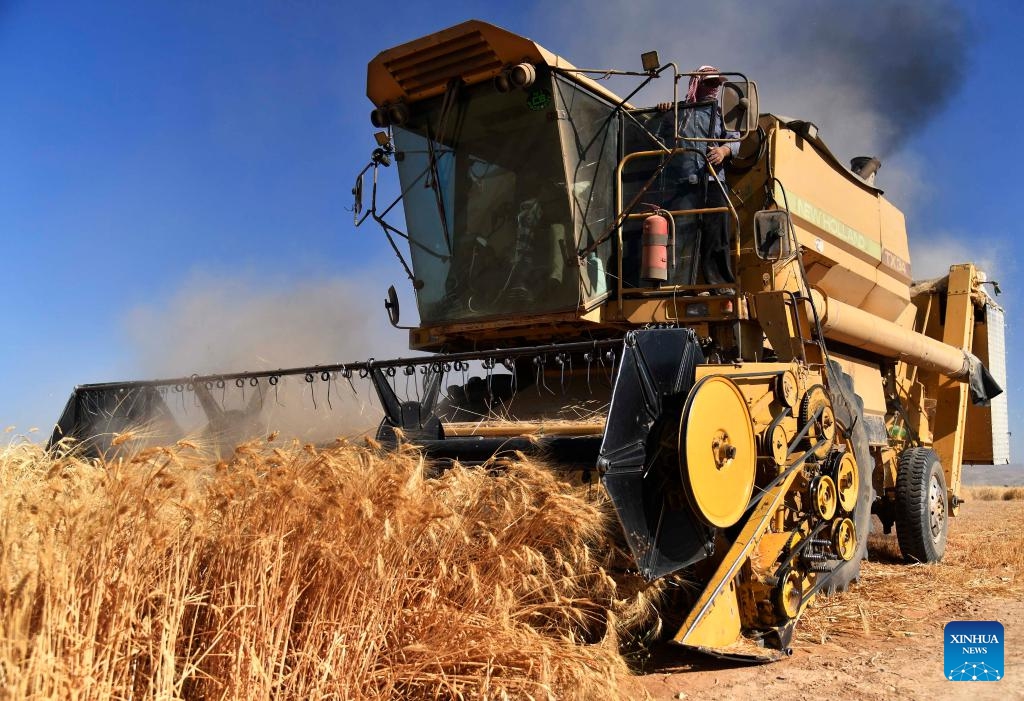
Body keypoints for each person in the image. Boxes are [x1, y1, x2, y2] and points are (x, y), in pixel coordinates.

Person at [655, 65, 738, 288]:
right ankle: (676, 285)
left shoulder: (722, 114)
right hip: (683, 184)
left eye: (717, 83)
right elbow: (658, 136)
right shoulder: (678, 111)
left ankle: (718, 286)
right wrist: (662, 112)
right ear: (697, 83)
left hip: (712, 181)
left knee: (716, 235)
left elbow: (734, 140)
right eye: (710, 83)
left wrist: (724, 151)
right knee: (680, 234)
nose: (715, 87)